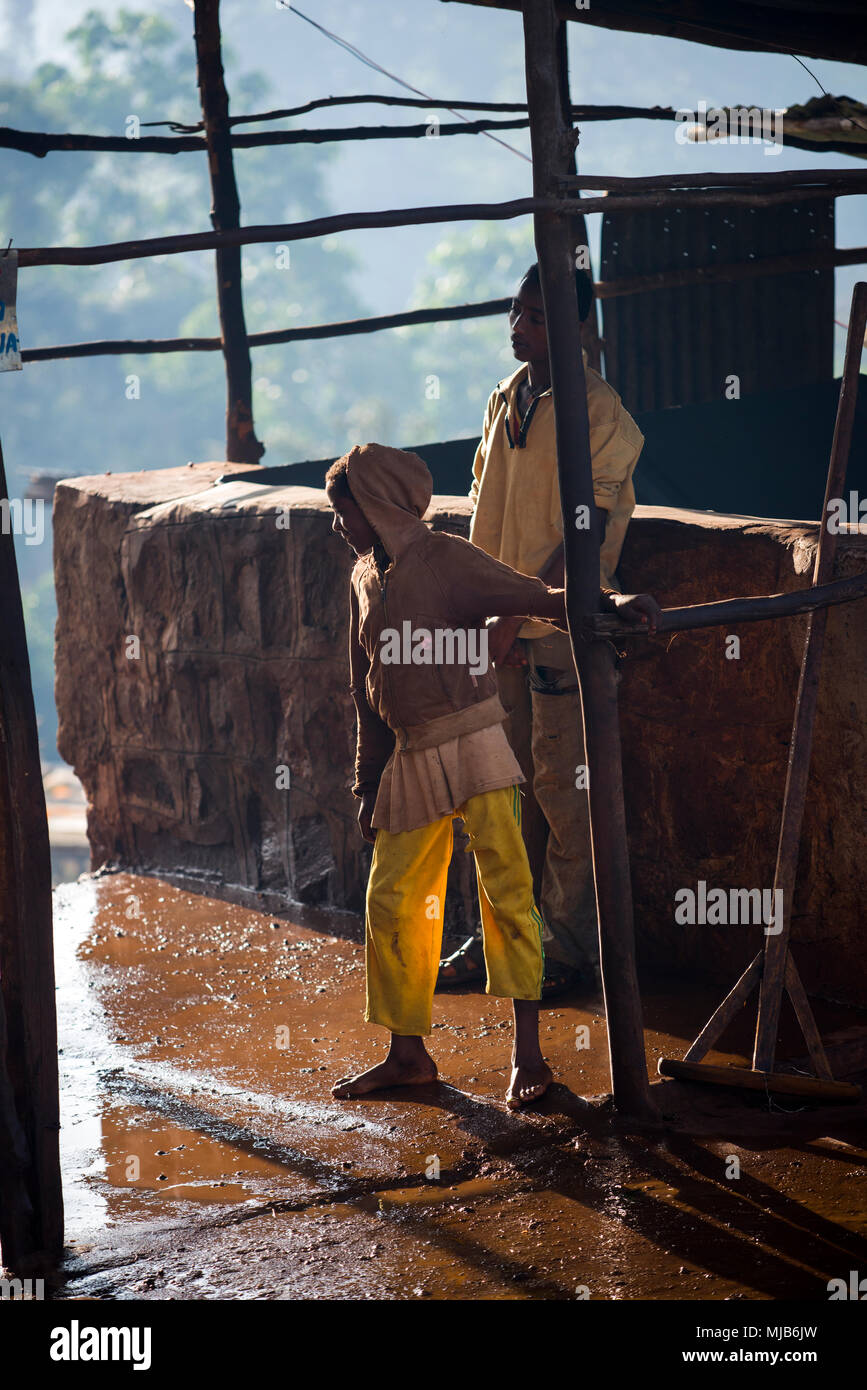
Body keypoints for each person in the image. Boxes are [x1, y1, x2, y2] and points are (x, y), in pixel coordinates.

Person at [325, 442, 658, 1108]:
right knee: (391, 904)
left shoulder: (446, 559)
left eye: (345, 511)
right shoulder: (365, 578)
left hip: (475, 743)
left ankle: (527, 1061)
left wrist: (612, 601)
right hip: (411, 754)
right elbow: (366, 689)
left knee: (507, 897)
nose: (339, 526)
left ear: (378, 504)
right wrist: (367, 781)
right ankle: (407, 1055)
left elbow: (537, 598)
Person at [439, 263, 646, 997]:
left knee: (566, 794)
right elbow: (477, 507)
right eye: (514, 311)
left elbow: (584, 530)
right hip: (498, 625)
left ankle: (564, 950)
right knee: (500, 795)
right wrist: (477, 604)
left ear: (573, 327)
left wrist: (515, 608)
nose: (516, 326)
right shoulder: (505, 399)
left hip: (559, 626)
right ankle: (501, 935)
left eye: (533, 316)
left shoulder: (598, 410)